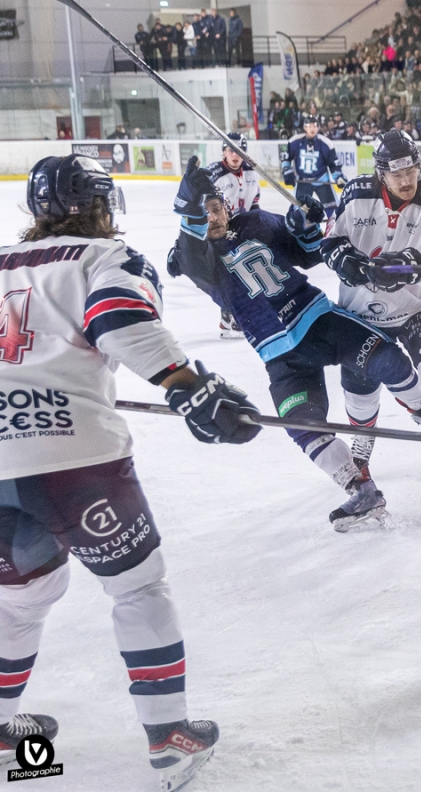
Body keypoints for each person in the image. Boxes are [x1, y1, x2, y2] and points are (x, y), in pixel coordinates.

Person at [0, 155, 260, 786]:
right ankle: (169, 737)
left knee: (22, 598)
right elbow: (119, 320)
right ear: (100, 204)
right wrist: (187, 384)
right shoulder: (101, 259)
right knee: (137, 587)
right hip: (78, 462)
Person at [168, 159, 421, 530]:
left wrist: (304, 221)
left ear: (226, 206)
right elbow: (188, 252)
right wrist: (188, 204)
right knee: (301, 424)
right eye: (202, 213)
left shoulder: (254, 223)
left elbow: (306, 250)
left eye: (215, 208)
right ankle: (362, 491)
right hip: (280, 356)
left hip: (317, 319)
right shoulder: (199, 260)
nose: (212, 217)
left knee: (387, 360)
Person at [320, 131, 421, 516]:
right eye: (396, 173)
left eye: (412, 170)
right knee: (358, 389)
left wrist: (407, 268)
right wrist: (343, 261)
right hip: (364, 310)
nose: (407, 181)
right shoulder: (355, 194)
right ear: (380, 173)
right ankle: (363, 440)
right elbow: (330, 243)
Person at [204, 133, 261, 338]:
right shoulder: (213, 173)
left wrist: (257, 222)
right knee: (231, 274)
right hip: (221, 230)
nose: (235, 155)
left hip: (243, 228)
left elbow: (254, 200)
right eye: (231, 150)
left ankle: (229, 317)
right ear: (224, 152)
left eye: (239, 151)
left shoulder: (251, 172)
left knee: (244, 272)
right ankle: (233, 316)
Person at [280, 115, 346, 219]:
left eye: (314, 126)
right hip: (303, 182)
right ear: (304, 127)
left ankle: (335, 232)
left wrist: (339, 177)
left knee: (333, 212)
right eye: (309, 126)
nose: (312, 129)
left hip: (322, 180)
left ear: (318, 128)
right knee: (299, 212)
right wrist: (286, 170)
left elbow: (333, 164)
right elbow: (285, 158)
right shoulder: (295, 142)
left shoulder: (325, 143)